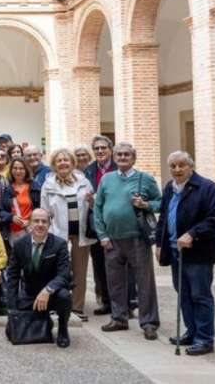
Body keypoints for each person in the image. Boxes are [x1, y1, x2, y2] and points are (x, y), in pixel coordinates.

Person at [156, 151, 215, 356]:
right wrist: (159, 244)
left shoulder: (207, 188)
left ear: (190, 167)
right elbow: (163, 218)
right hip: (176, 250)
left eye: (181, 165)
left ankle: (205, 339)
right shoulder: (170, 187)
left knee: (200, 295)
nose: (177, 170)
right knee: (183, 294)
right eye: (173, 166)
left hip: (199, 253)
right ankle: (191, 331)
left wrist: (192, 234)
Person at [93, 142, 161, 340]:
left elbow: (160, 203)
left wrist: (146, 204)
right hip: (112, 239)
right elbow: (97, 208)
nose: (122, 157)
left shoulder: (145, 179)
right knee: (115, 282)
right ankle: (119, 318)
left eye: (126, 155)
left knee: (144, 281)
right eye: (119, 154)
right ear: (114, 157)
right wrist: (102, 235)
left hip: (137, 238)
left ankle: (149, 322)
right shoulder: (106, 179)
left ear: (134, 157)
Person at [40, 148, 96, 321]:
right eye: (59, 160)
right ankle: (58, 306)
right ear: (54, 165)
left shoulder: (84, 182)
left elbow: (93, 206)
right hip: (58, 234)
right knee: (59, 271)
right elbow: (44, 212)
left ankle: (77, 308)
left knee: (80, 271)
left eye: (66, 160)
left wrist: (93, 202)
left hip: (80, 233)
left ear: (72, 163)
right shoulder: (48, 185)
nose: (63, 163)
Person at [4, 208, 72, 348]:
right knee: (12, 332)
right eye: (36, 221)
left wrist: (48, 289)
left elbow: (64, 275)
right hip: (29, 294)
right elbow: (12, 276)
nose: (40, 224)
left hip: (52, 294)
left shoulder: (60, 245)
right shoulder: (19, 244)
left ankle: (63, 329)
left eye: (44, 221)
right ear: (29, 223)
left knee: (65, 296)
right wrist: (12, 308)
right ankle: (44, 320)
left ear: (49, 224)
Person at [83, 134, 119, 316]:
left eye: (103, 148)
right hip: (96, 225)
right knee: (99, 265)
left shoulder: (118, 167)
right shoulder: (88, 171)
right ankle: (105, 301)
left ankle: (124, 303)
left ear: (110, 150)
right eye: (96, 148)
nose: (100, 151)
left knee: (120, 265)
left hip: (116, 224)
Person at [2, 157, 33, 246]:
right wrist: (11, 217)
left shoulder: (33, 187)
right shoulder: (7, 189)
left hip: (30, 228)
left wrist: (31, 221)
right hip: (14, 231)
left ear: (26, 170)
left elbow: (40, 207)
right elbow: (1, 210)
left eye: (21, 168)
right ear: (11, 170)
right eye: (15, 168)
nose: (18, 171)